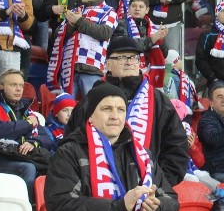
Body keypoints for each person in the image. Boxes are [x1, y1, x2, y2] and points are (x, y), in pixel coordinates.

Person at [45, 82, 179, 211]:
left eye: (121, 109)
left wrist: (154, 210)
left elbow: (171, 201)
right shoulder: (70, 153)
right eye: (107, 109)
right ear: (90, 115)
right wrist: (119, 207)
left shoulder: (141, 155)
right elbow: (60, 207)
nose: (115, 116)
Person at [67, 35, 189, 187]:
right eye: (122, 57)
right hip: (99, 191)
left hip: (148, 193)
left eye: (134, 57)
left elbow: (176, 147)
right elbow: (72, 143)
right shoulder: (92, 100)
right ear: (108, 64)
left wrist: (159, 185)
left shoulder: (158, 100)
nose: (129, 61)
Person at [0, 69, 54, 200]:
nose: (18, 89)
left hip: (23, 157)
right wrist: (27, 124)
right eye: (13, 85)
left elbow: (48, 139)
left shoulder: (27, 112)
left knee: (57, 166)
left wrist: (33, 142)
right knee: (28, 169)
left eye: (21, 85)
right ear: (0, 87)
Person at [47, 0, 119, 97]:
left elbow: (105, 33)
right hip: (68, 69)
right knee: (66, 109)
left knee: (91, 107)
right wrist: (70, 26)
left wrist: (79, 21)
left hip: (92, 68)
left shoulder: (109, 11)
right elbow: (57, 36)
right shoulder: (75, 10)